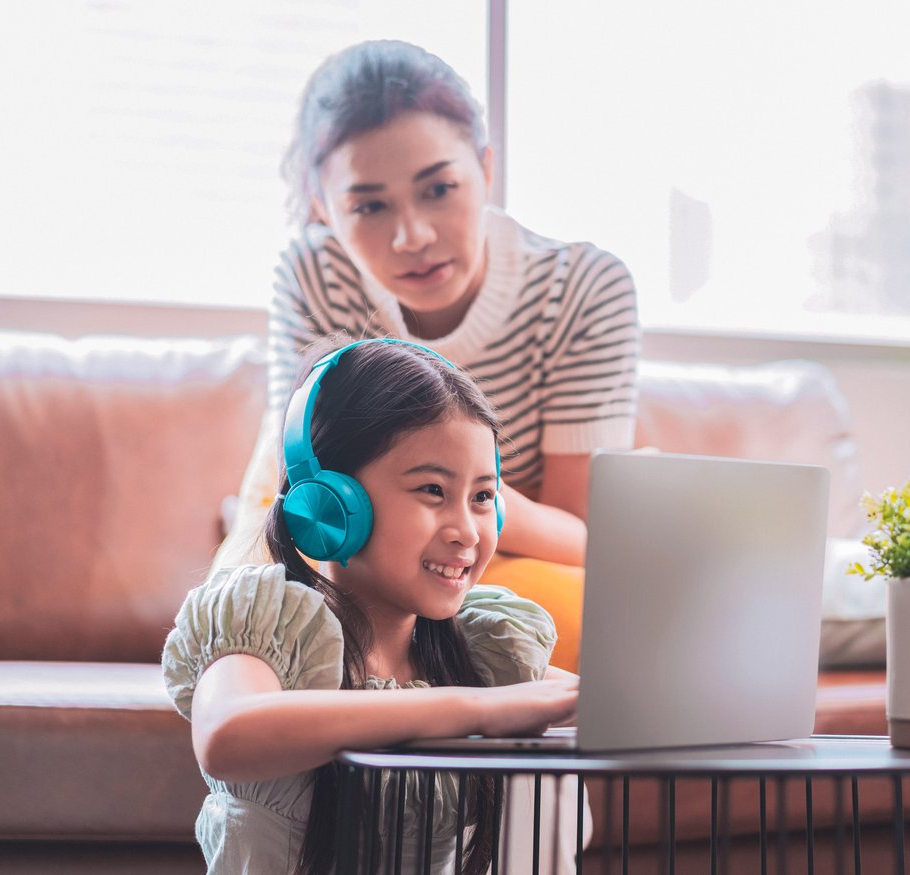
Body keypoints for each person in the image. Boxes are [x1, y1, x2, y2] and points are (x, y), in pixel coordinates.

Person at [215, 38, 640, 572]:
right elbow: (313, 494)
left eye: (438, 189)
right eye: (370, 206)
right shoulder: (317, 273)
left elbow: (579, 538)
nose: (411, 237)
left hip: (518, 565)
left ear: (486, 170)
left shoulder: (581, 288)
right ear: (325, 210)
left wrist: (446, 494)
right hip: (365, 561)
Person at [163, 339, 579, 875]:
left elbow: (596, 703)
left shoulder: (482, 650)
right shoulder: (268, 626)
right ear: (332, 505)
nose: (466, 532)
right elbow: (227, 735)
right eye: (432, 489)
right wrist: (479, 708)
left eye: (481, 498)